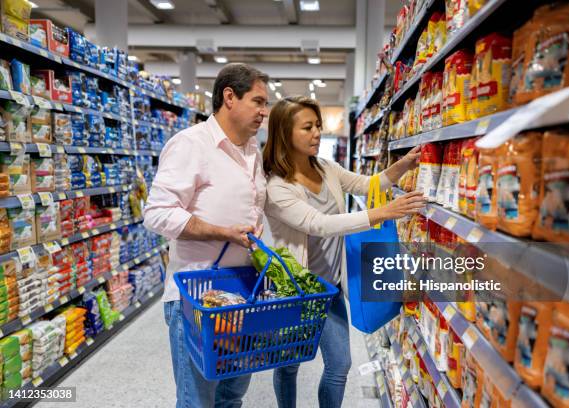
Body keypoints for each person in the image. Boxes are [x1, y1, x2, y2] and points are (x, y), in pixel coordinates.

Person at [262, 96, 426, 408]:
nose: (316, 133)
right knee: (288, 364)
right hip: (293, 288)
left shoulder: (326, 168)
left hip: (330, 288)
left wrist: (404, 164)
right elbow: (318, 224)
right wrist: (381, 214)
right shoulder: (276, 187)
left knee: (340, 364)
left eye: (318, 126)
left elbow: (368, 185)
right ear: (285, 133)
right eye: (307, 127)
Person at [143, 63, 269, 408]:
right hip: (195, 297)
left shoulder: (252, 150)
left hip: (241, 294)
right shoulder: (190, 145)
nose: (264, 111)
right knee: (197, 400)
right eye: (258, 101)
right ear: (229, 97)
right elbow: (156, 213)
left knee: (232, 397)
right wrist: (221, 232)